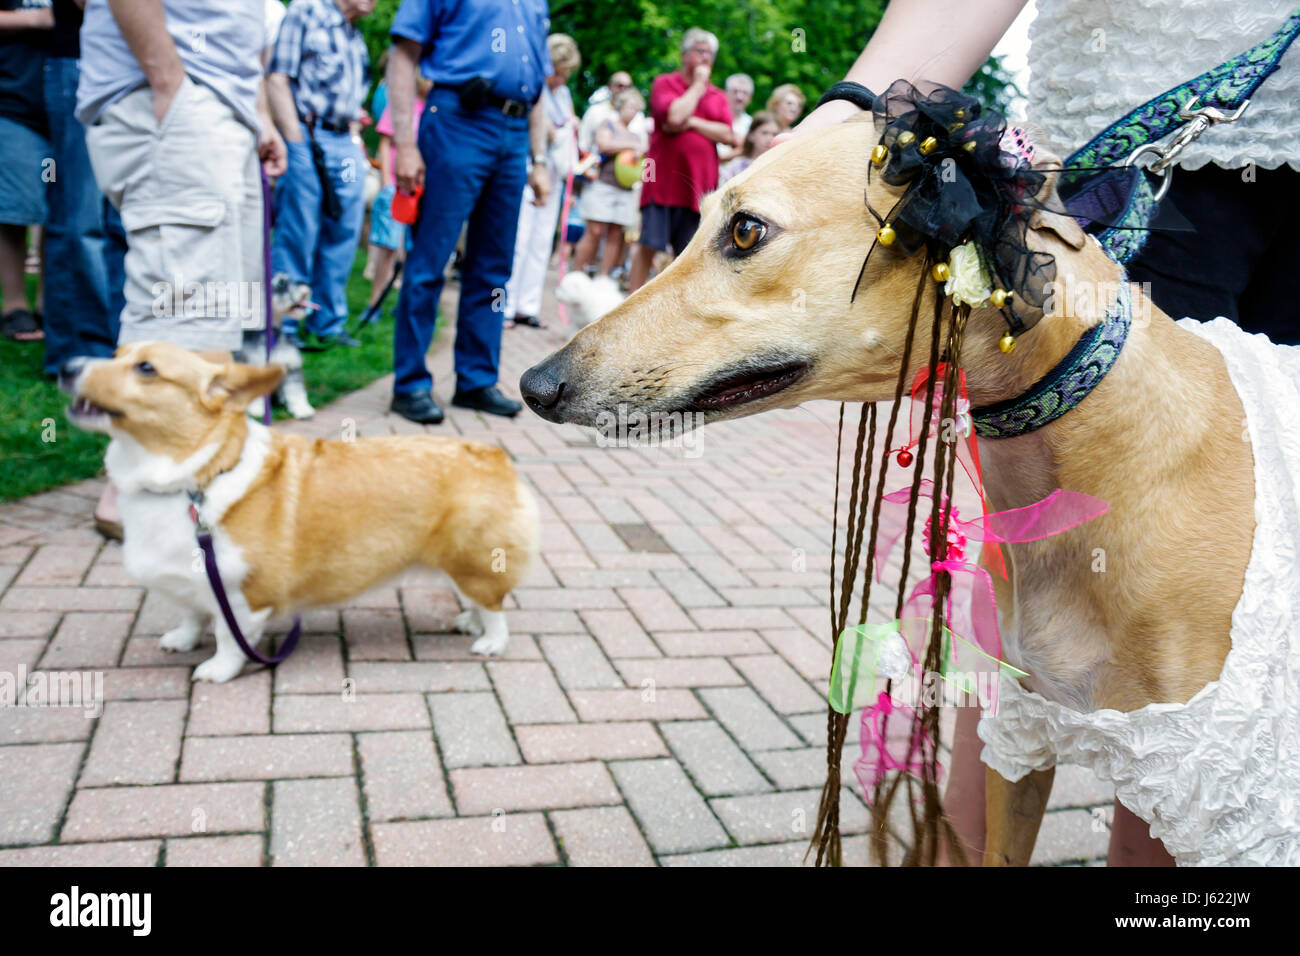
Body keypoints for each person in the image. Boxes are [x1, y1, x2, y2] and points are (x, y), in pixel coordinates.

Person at [783, 0, 1300, 866]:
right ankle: (963, 854)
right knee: (1061, 552)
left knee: (1253, 578)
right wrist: (853, 109)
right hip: (1144, 157)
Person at [76, 0, 287, 536]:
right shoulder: (174, 89)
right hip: (177, 95)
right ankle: (133, 490)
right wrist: (168, 79)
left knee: (222, 304)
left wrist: (257, 115)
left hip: (221, 104)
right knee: (178, 295)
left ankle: (193, 474)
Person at [385, 0, 554, 424]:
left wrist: (538, 159)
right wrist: (404, 143)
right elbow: (403, 56)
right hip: (457, 119)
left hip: (513, 132)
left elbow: (536, 86)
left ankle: (476, 380)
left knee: (494, 269)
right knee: (430, 261)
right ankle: (410, 384)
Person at [267, 0, 373, 350]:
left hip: (345, 140)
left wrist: (356, 140)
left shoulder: (353, 34)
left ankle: (327, 322)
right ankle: (285, 326)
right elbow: (278, 78)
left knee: (343, 235)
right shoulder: (306, 10)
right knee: (298, 233)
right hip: (308, 136)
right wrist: (295, 141)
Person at [627, 27, 738, 293]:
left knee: (688, 253)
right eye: (699, 51)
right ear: (684, 54)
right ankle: (630, 297)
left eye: (710, 53)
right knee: (649, 244)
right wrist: (698, 87)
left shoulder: (719, 96)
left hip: (698, 187)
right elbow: (674, 117)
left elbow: (728, 134)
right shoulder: (665, 83)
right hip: (662, 181)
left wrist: (693, 121)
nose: (705, 58)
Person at [504, 33, 581, 329]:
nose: (561, 80)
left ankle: (528, 305)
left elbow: (568, 123)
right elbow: (538, 127)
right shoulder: (531, 85)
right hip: (529, 167)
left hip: (555, 172)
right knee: (520, 238)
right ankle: (506, 306)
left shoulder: (562, 94)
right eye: (558, 73)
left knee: (541, 240)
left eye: (566, 75)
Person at [0, 0, 53, 342]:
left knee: (59, 208)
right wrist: (39, 19)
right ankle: (15, 306)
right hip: (13, 101)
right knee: (14, 208)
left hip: (71, 102)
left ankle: (49, 303)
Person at [367, 74, 431, 313]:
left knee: (413, 251)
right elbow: (385, 142)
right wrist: (386, 182)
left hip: (421, 192)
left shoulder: (438, 110)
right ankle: (374, 304)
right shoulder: (402, 104)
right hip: (396, 187)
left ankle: (405, 306)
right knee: (388, 247)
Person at [573, 88, 647, 277]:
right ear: (621, 106)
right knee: (594, 231)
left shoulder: (636, 135)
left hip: (624, 189)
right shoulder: (608, 125)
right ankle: (577, 273)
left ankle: (604, 277)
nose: (633, 112)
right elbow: (604, 145)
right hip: (602, 185)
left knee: (615, 234)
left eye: (637, 109)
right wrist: (631, 146)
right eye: (631, 107)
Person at [720, 109, 778, 182]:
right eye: (764, 133)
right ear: (751, 135)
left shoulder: (777, 166)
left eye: (774, 134)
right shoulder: (736, 165)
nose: (769, 138)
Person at [718, 72, 754, 162]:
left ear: (750, 98)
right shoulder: (712, 118)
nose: (739, 97)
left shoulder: (752, 124)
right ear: (726, 93)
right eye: (735, 91)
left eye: (745, 93)